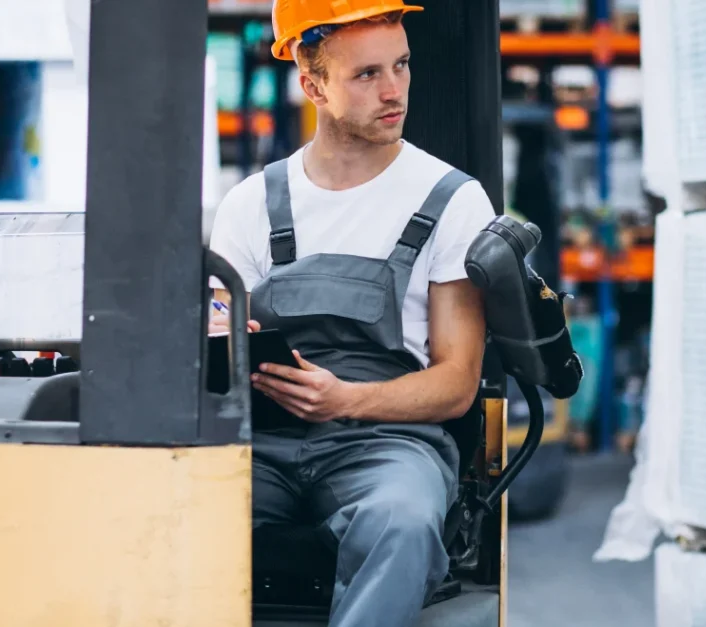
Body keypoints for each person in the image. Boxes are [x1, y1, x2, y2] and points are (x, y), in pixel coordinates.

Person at [208, 1, 494, 625]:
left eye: (401, 65)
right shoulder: (250, 205)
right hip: (264, 441)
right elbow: (215, 336)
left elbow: (456, 384)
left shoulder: (451, 201)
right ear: (313, 86)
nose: (394, 91)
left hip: (389, 443)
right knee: (174, 508)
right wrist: (224, 340)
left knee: (403, 521)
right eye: (367, 74)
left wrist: (345, 400)